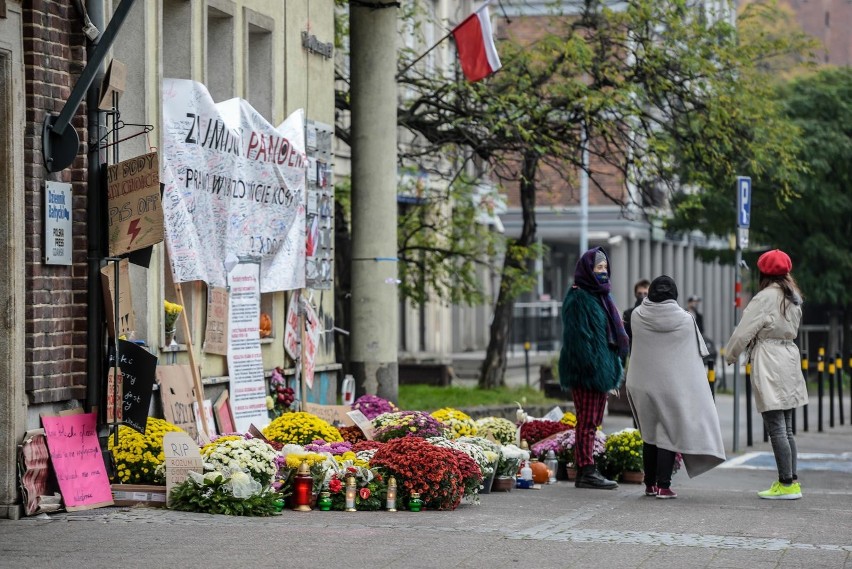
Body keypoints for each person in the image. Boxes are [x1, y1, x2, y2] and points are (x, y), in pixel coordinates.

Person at [626, 276, 726, 499]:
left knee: (649, 434)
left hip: (641, 384)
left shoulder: (637, 315)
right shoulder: (686, 319)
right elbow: (694, 353)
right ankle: (664, 485)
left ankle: (649, 485)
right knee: (667, 434)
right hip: (671, 387)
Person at [724, 249, 807, 500]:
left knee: (776, 427)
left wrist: (730, 355)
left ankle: (786, 483)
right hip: (790, 357)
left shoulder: (765, 298)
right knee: (787, 427)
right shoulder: (793, 297)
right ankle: (791, 480)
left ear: (763, 272)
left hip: (770, 359)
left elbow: (743, 331)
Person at [559, 246, 629, 489]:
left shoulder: (602, 296)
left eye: (605, 268)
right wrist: (592, 368)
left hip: (601, 371)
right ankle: (585, 470)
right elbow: (578, 339)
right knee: (587, 423)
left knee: (593, 422)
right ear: (587, 270)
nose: (603, 272)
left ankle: (587, 469)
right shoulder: (579, 297)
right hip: (587, 372)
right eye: (598, 268)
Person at [623, 279, 651, 346]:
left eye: (645, 293)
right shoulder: (628, 314)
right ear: (635, 294)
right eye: (639, 293)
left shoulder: (655, 313)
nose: (642, 296)